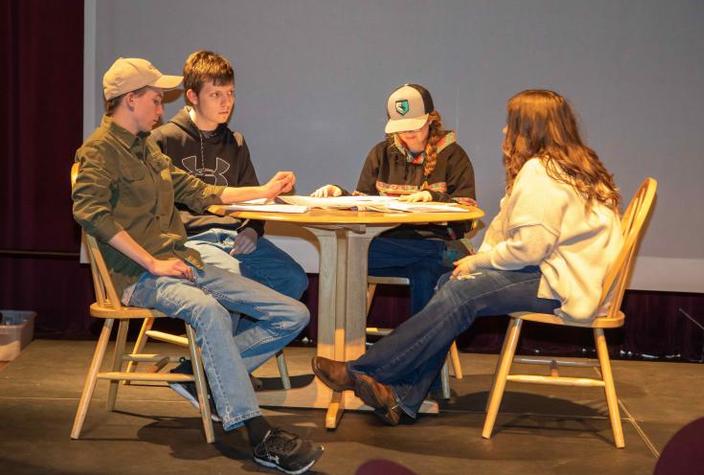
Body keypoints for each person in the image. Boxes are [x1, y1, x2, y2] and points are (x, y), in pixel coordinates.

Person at [311, 89, 624, 427]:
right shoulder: (571, 164)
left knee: (461, 291)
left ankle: (361, 370)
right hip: (569, 274)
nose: (505, 132)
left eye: (511, 125)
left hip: (565, 282)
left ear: (529, 129)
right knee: (451, 281)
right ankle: (402, 398)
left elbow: (529, 248)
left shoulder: (542, 172)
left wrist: (478, 262)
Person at [72, 57, 323, 474]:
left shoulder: (147, 149)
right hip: (137, 275)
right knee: (209, 311)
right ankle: (256, 434)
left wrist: (265, 190)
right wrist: (153, 262)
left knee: (292, 312)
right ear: (130, 100)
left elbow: (201, 191)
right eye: (155, 99)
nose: (161, 108)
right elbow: (91, 213)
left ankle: (203, 376)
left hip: (179, 261)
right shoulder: (98, 151)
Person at [150, 50, 308, 393]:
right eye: (216, 94)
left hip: (234, 238)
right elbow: (157, 208)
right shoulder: (163, 140)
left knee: (293, 279)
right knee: (234, 278)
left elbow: (251, 199)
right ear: (192, 96)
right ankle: (221, 376)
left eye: (231, 93)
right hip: (190, 241)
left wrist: (253, 228)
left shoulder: (235, 142)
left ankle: (208, 368)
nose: (226, 103)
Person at [311, 83, 477, 315]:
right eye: (402, 127)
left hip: (437, 241)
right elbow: (365, 206)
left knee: (354, 255)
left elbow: (468, 217)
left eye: (415, 126)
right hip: (392, 245)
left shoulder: (453, 155)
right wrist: (339, 194)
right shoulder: (381, 154)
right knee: (356, 257)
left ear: (430, 118)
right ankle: (356, 346)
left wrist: (434, 197)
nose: (409, 133)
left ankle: (414, 350)